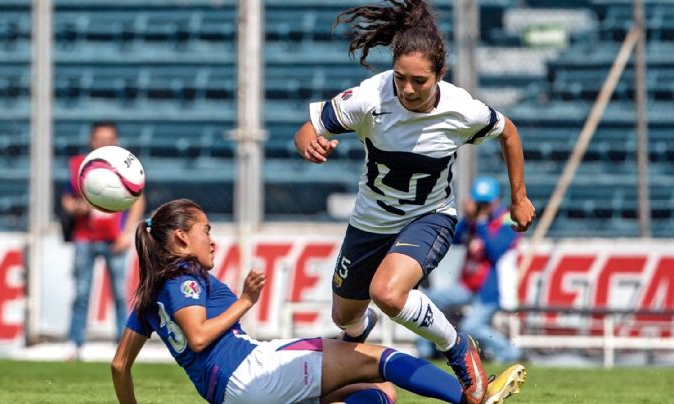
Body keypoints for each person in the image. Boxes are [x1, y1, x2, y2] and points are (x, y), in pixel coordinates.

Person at [292, 1, 535, 402]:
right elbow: (308, 128)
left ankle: (461, 352)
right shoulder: (369, 97)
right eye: (401, 78)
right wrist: (310, 145)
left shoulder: (462, 109)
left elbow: (509, 132)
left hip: (430, 217)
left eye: (419, 81)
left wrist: (519, 198)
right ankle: (358, 340)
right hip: (369, 222)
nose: (407, 89)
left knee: (388, 293)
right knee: (344, 317)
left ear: (440, 74)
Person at [110, 198, 526, 404]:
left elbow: (119, 365)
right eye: (205, 229)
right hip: (254, 371)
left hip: (233, 393)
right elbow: (198, 336)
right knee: (378, 358)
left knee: (381, 390)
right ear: (181, 237)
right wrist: (245, 301)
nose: (212, 238)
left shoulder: (150, 292)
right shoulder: (183, 278)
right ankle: (474, 397)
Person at [416, 176, 523, 363]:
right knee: (428, 299)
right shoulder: (473, 222)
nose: (482, 207)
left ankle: (511, 353)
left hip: (490, 291)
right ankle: (425, 351)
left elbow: (495, 251)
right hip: (467, 286)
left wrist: (480, 223)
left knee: (470, 326)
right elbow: (454, 238)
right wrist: (467, 218)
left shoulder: (507, 220)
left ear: (496, 201)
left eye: (485, 203)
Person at [62, 121, 145, 359]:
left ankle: (123, 344)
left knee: (121, 294)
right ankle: (74, 343)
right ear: (91, 140)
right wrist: (77, 208)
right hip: (84, 237)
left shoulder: (124, 164)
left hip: (114, 238)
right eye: (99, 138)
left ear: (116, 141)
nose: (104, 143)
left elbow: (138, 200)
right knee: (81, 292)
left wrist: (127, 234)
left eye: (109, 138)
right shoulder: (80, 165)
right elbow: (67, 199)